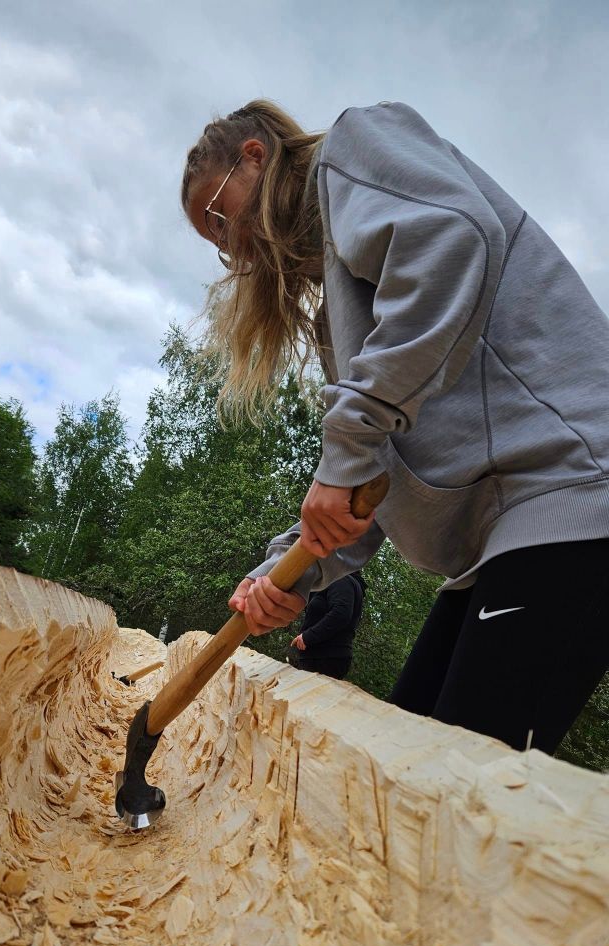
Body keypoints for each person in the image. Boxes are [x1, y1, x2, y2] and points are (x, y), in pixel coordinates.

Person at [181, 99, 609, 755]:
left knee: (458, 790)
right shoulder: (343, 318)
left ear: (255, 157)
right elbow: (367, 486)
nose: (232, 249)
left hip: (569, 493)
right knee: (406, 759)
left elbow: (453, 240)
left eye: (219, 217)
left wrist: (348, 449)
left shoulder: (353, 146)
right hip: (494, 540)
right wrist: (283, 577)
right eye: (215, 247)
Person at [290, 572, 366, 679]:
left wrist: (307, 637)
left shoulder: (341, 579)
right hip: (322, 658)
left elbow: (340, 614)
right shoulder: (338, 580)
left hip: (325, 659)